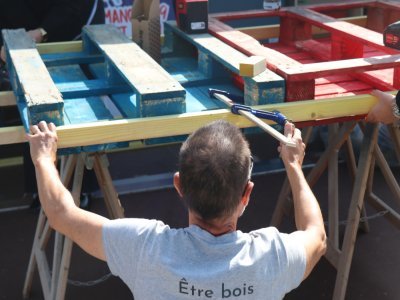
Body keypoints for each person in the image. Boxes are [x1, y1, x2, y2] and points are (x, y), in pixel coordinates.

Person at [27, 120, 326, 299]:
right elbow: (316, 236)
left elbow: (60, 214)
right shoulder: (272, 255)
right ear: (246, 194)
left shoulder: (144, 246)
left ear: (179, 186)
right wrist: (293, 165)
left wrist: (43, 157)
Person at [0, 0, 105, 208]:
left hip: (72, 31)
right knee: (32, 110)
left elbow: (76, 7)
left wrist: (42, 31)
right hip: (20, 37)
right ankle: (42, 189)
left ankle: (80, 188)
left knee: (75, 109)